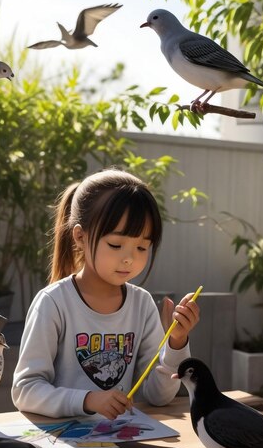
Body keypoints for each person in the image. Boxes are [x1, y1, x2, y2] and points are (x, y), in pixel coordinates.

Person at [12, 168, 200, 419]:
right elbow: (25, 390)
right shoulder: (54, 303)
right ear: (80, 236)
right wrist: (88, 400)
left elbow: (158, 396)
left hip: (121, 444)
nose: (129, 259)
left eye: (142, 247)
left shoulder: (141, 304)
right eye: (115, 244)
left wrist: (176, 342)